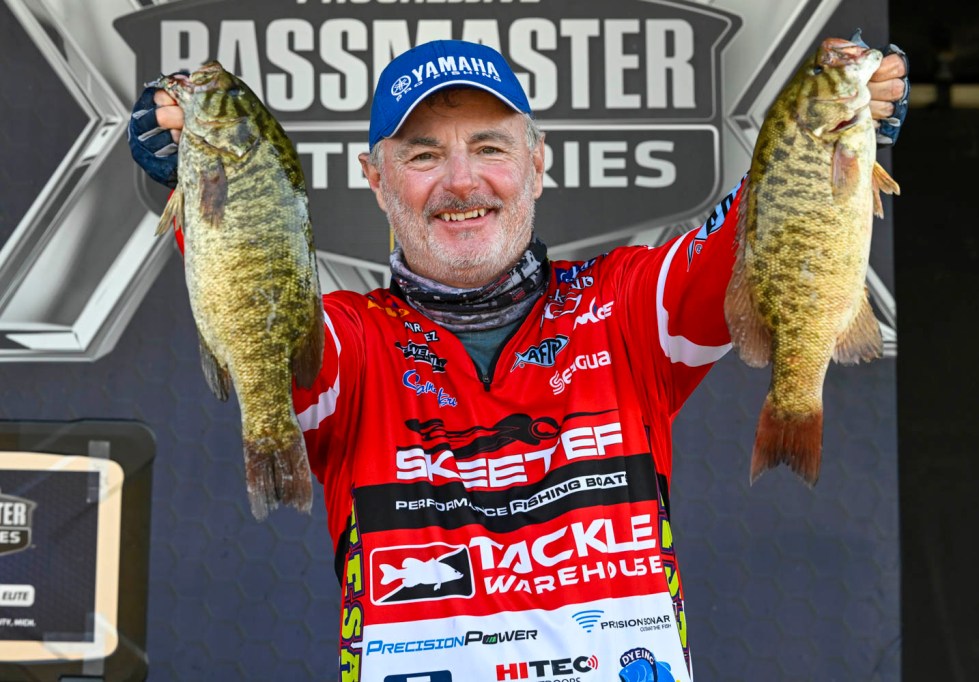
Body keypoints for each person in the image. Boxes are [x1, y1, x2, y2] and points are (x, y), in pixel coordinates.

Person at [128, 37, 909, 682]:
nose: (461, 180)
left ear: (537, 164)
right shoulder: (349, 342)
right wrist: (201, 181)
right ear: (376, 180)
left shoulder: (627, 306)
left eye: (490, 146)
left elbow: (763, 227)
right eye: (423, 154)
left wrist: (826, 134)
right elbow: (254, 299)